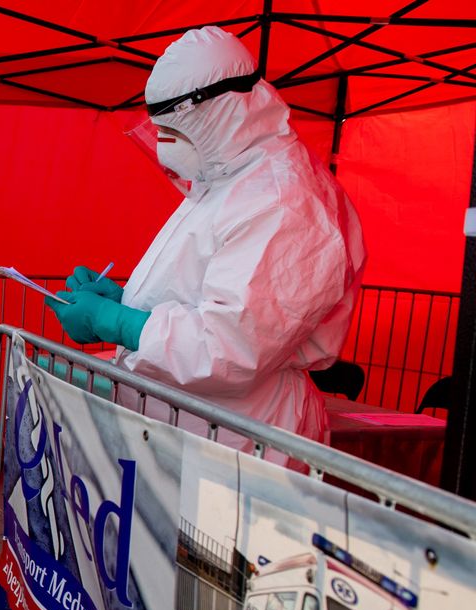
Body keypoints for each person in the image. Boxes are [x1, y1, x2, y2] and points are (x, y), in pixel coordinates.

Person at [48, 26, 365, 450]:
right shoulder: (226, 180)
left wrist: (117, 322)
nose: (164, 146)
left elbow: (229, 346)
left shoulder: (284, 201)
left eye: (173, 132)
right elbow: (204, 295)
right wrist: (125, 302)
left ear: (217, 115)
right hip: (191, 428)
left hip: (239, 439)